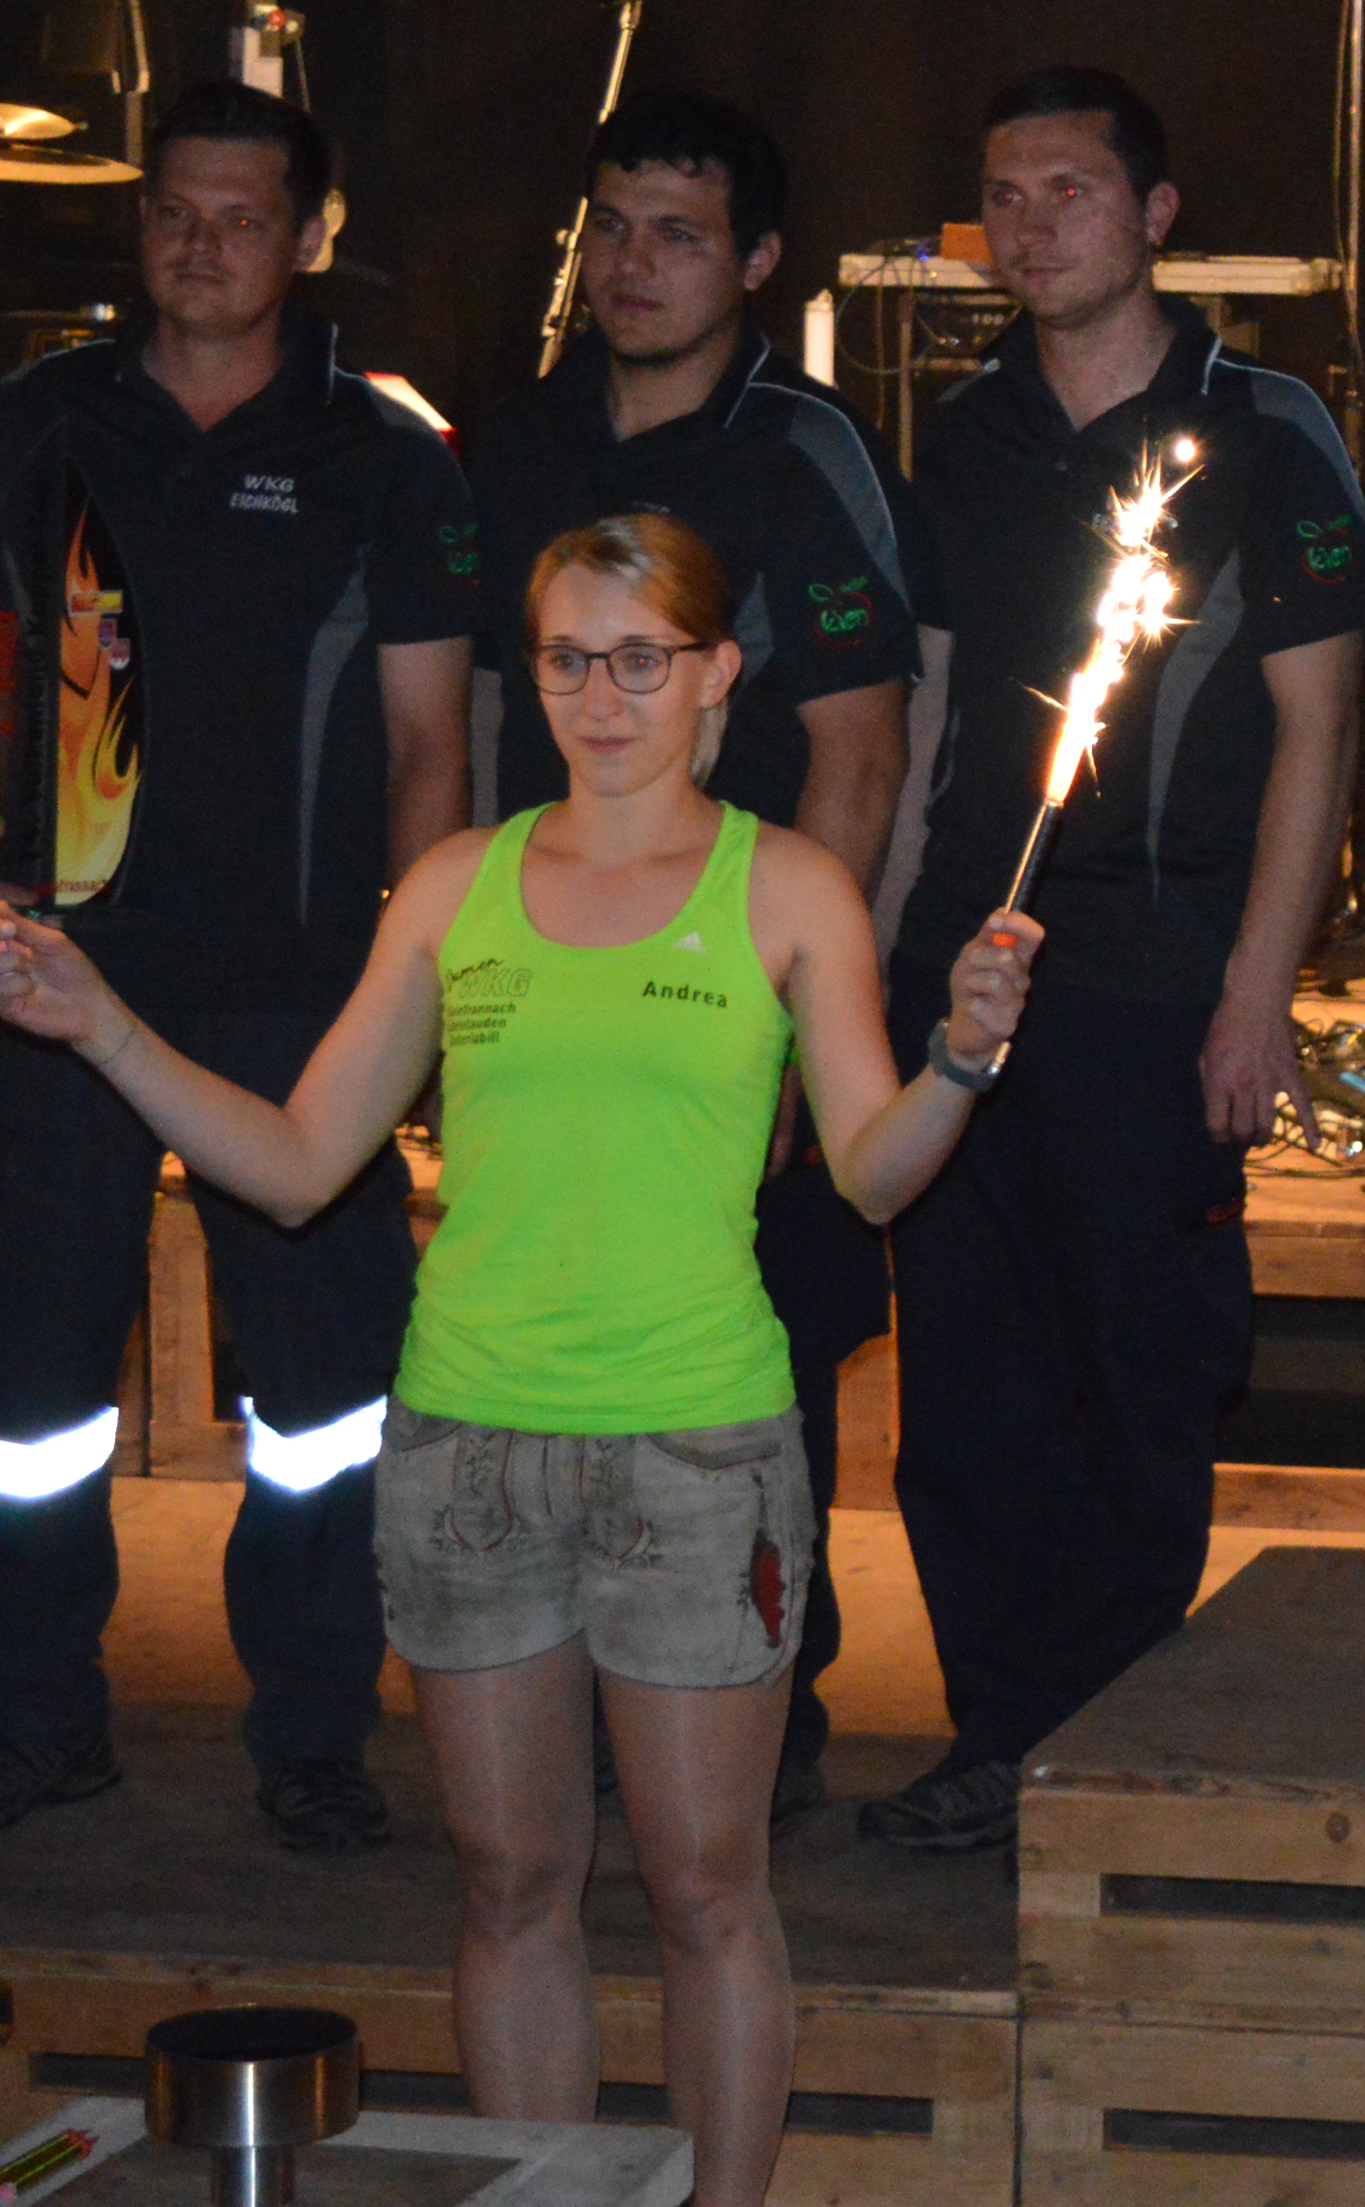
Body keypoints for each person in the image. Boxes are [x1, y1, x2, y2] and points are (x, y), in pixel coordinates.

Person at [0, 510, 1038, 2207]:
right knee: (507, 1887)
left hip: (698, 1452)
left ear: (716, 674)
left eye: (639, 660)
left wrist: (962, 1064)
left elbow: (870, 1172)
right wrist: (103, 1027)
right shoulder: (457, 886)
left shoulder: (788, 886)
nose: (599, 698)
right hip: (468, 1449)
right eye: (566, 659)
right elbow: (298, 1160)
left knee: (707, 1892)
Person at [866, 68, 1365, 1853]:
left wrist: (1258, 995)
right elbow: (928, 707)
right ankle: (994, 1740)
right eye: (1003, 195)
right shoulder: (967, 433)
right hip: (966, 968)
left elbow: (1321, 729)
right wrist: (882, 960)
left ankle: (1097, 1757)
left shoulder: (1267, 429)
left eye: (1070, 191)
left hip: (1158, 974)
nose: (1031, 226)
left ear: (1157, 216)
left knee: (1136, 1374)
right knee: (964, 1387)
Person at [0, 79, 471, 1852]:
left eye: (244, 217)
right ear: (140, 227)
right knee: (30, 1396)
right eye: (175, 213)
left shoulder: (387, 456)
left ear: (310, 236)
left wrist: (408, 994)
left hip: (302, 1000)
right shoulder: (36, 423)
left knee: (323, 1400)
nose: (203, 247)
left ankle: (314, 1735)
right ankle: (38, 1717)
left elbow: (430, 748)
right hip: (52, 986)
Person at [459, 87, 920, 1830]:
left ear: (760, 261)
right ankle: (562, 1711)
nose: (632, 265)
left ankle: (759, 1720)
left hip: (729, 1006)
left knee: (756, 1374)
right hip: (547, 999)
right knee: (547, 1329)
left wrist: (794, 1020)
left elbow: (863, 752)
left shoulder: (801, 451)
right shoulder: (516, 440)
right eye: (612, 227)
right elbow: (478, 718)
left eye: (679, 234)